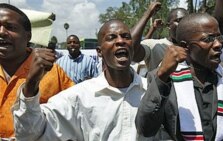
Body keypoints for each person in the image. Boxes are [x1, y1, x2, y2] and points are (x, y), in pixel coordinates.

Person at [11, 19, 166, 141]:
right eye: (111, 37)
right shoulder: (78, 97)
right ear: (99, 51)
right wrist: (31, 85)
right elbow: (30, 135)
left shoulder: (154, 92)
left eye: (126, 37)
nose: (121, 41)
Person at [135, 13, 223, 140]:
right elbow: (145, 129)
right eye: (208, 39)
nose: (218, 44)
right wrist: (161, 77)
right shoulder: (163, 78)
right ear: (185, 46)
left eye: (219, 37)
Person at [0, 3, 74, 139]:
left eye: (10, 27)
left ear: (28, 36)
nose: (1, 32)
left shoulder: (51, 72)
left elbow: (73, 116)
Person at [131, 1, 188, 71]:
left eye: (187, 21)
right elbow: (131, 52)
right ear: (168, 26)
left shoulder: (193, 46)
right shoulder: (154, 45)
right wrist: (147, 15)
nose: (184, 24)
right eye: (179, 20)